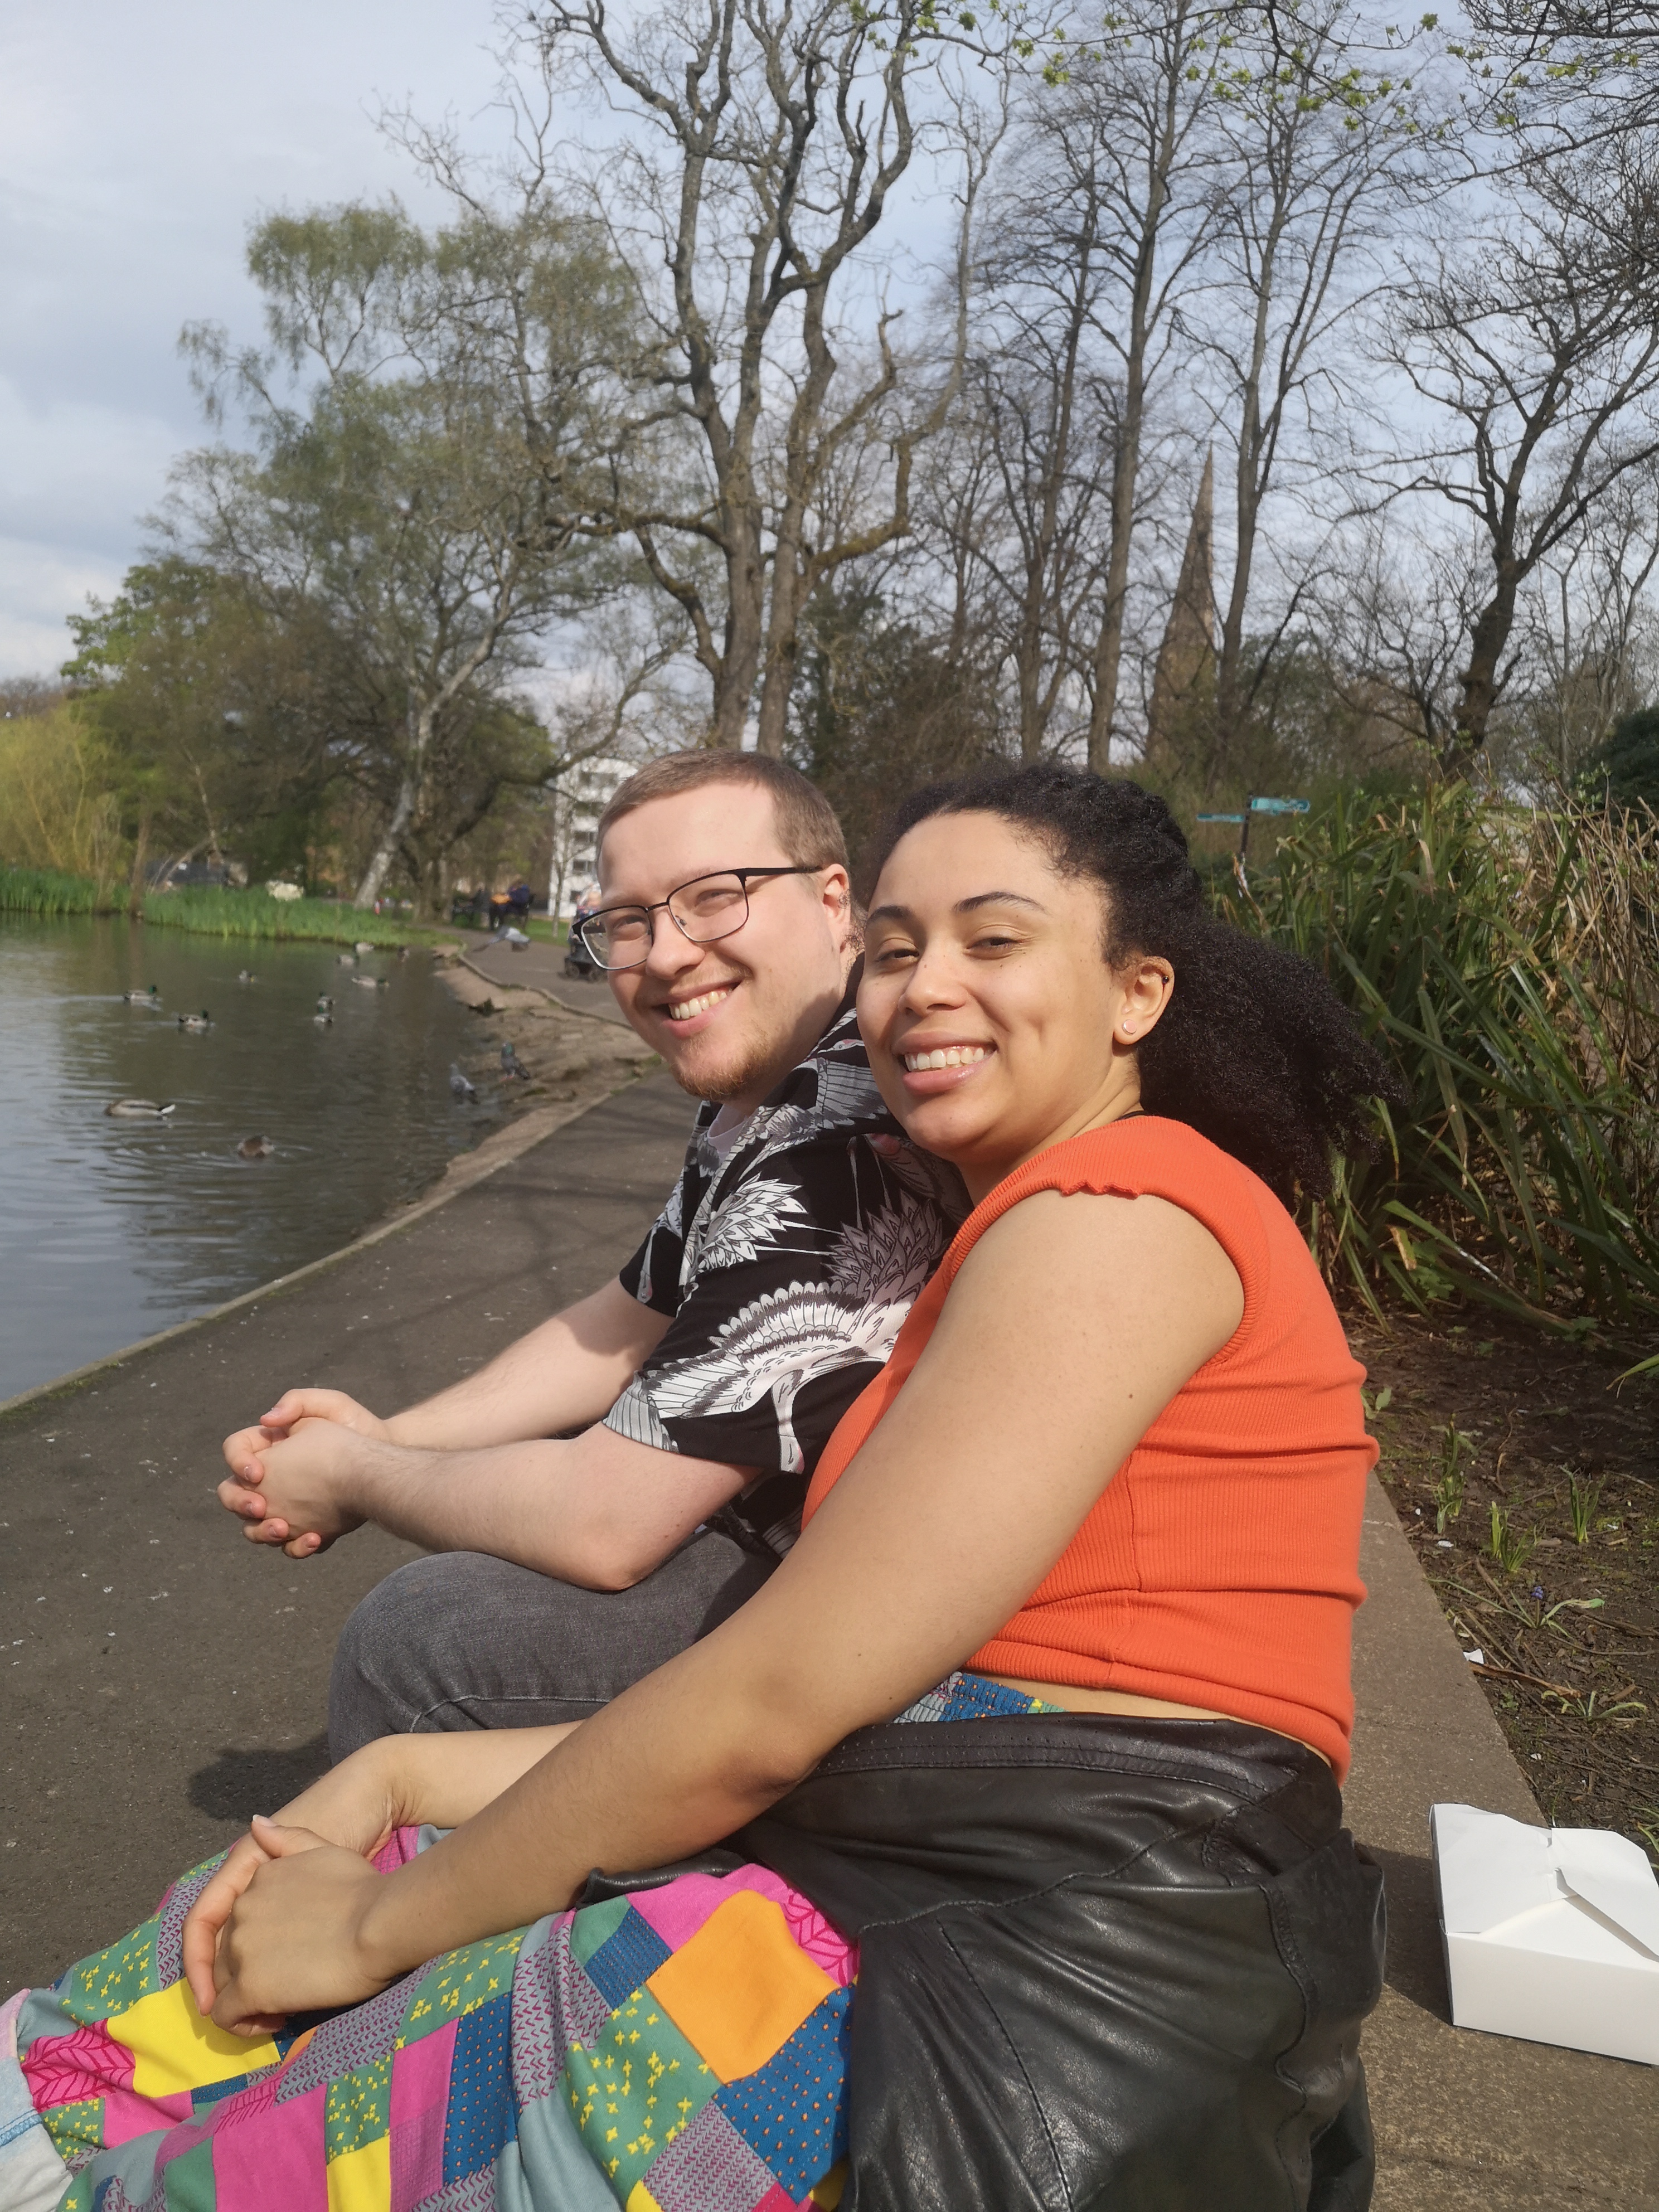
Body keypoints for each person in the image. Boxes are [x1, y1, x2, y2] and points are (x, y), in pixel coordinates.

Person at [8, 766, 1393, 2210]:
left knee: (280, 2077)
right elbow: (832, 1683)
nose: (924, 987)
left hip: (1029, 1946)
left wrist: (374, 1928)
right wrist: (397, 1772)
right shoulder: (1019, 1211)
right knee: (266, 1932)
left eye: (993, 939)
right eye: (900, 950)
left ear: (1137, 991)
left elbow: (775, 1701)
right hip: (939, 1838)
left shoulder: (1113, 1217)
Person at [215, 753, 960, 1759]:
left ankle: (401, 1858)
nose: (666, 955)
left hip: (862, 1601)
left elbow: (607, 1527)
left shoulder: (840, 1142)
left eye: (714, 897)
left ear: (835, 905)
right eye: (628, 921)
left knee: (420, 1641)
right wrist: (395, 1435)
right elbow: (625, 1321)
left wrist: (358, 1476)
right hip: (788, 1526)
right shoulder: (773, 1085)